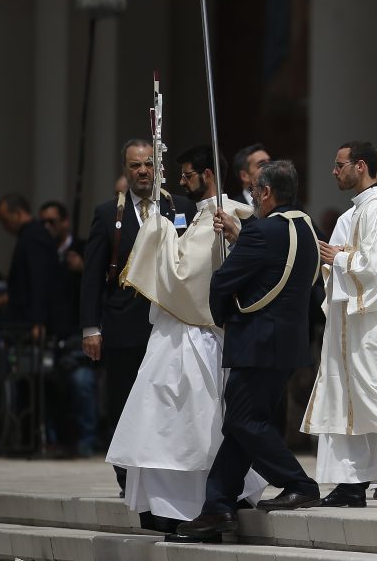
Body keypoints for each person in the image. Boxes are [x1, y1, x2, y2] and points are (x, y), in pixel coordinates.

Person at [107, 145, 266, 533]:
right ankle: (164, 508)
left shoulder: (229, 214)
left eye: (188, 174)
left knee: (193, 428)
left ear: (208, 174)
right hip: (173, 337)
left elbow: (186, 280)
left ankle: (200, 503)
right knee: (161, 425)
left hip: (199, 339)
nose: (182, 181)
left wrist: (159, 236)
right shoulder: (199, 217)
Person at [172, 160, 322, 543]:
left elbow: (224, 281)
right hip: (286, 346)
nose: (253, 195)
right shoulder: (304, 227)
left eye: (256, 189)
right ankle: (217, 507)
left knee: (243, 422)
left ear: (267, 193)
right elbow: (277, 268)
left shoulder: (261, 230)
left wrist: (223, 318)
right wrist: (243, 238)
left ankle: (298, 482)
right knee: (240, 424)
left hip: (255, 342)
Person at [302, 141, 377, 508]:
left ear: (359, 166)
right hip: (351, 324)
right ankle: (352, 482)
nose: (334, 171)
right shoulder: (359, 211)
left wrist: (339, 258)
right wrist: (337, 261)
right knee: (349, 400)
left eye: (339, 164)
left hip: (370, 325)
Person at [80, 139, 195, 495]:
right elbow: (91, 276)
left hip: (171, 321)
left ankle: (162, 472)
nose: (142, 171)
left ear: (157, 168)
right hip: (124, 323)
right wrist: (90, 328)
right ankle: (127, 475)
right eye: (135, 166)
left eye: (148, 164)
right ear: (125, 170)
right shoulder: (106, 213)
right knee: (124, 400)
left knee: (168, 399)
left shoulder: (182, 206)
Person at [39, 200, 96, 458]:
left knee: (81, 384)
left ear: (64, 222)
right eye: (44, 222)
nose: (47, 227)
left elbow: (99, 282)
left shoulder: (82, 249)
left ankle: (86, 441)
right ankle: (55, 441)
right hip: (55, 334)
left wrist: (82, 269)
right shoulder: (44, 252)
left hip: (79, 332)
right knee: (49, 386)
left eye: (52, 221)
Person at [0, 194, 58, 342]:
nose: (5, 226)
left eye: (5, 220)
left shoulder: (34, 235)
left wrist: (38, 320)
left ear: (17, 213)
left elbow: (39, 279)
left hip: (31, 320)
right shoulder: (29, 235)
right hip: (25, 317)